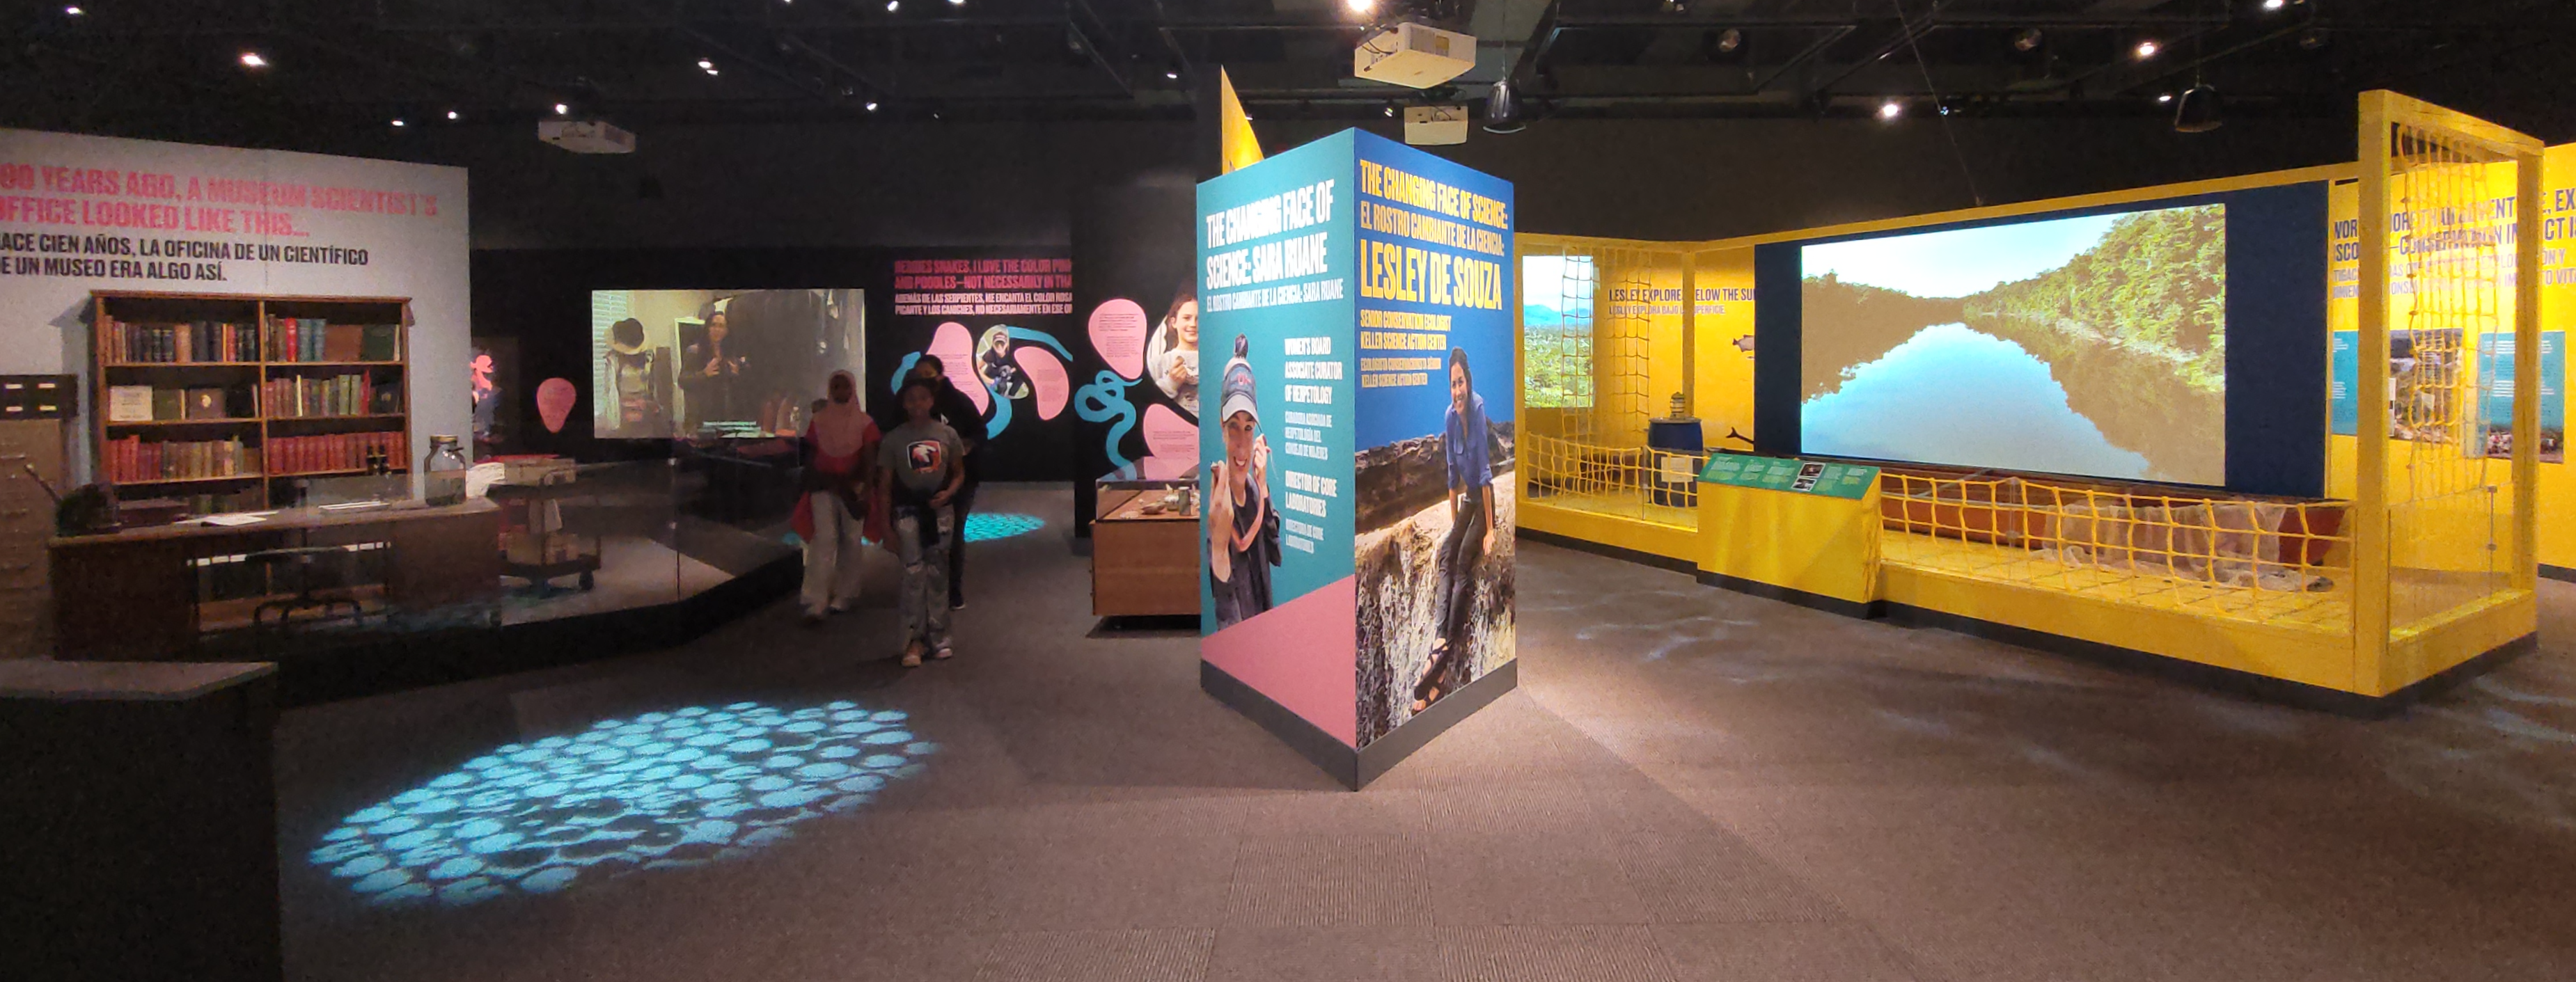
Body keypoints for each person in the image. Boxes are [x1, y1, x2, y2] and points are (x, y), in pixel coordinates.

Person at [1412, 347, 1496, 713]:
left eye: (1460, 383)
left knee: (1464, 560)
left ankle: (1443, 658)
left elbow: (1485, 477)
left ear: (1469, 381)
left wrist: (1490, 530)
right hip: (1467, 503)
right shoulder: (1449, 417)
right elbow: (1451, 477)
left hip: (1483, 499)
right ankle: (1440, 644)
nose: (1457, 391)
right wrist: (1453, 525)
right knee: (1448, 550)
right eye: (1452, 385)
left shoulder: (1477, 410)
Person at [881, 355, 989, 609]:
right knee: (913, 542)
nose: (918, 403)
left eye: (928, 375)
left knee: (948, 539)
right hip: (913, 488)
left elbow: (977, 434)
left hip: (953, 484)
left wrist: (964, 450)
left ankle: (949, 591)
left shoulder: (958, 405)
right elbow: (891, 445)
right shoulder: (900, 413)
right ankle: (918, 592)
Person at [879, 378, 966, 667]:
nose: (917, 404)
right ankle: (913, 640)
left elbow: (958, 472)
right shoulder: (893, 439)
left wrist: (949, 493)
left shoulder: (947, 434)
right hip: (907, 511)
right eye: (911, 399)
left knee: (938, 570)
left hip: (940, 512)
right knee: (913, 574)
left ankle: (940, 636)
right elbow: (884, 485)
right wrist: (885, 526)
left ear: (932, 401)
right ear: (904, 404)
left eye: (923, 398)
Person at [1207, 335, 1279, 629]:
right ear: (1222, 429)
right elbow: (1224, 605)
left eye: (1248, 429)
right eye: (1233, 427)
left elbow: (1275, 555)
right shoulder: (1219, 501)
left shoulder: (1254, 492)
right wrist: (1221, 547)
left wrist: (1264, 488)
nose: (1241, 445)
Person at [799, 370, 877, 624]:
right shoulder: (818, 421)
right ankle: (815, 599)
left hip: (853, 488)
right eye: (836, 386)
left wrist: (864, 489)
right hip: (823, 487)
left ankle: (846, 594)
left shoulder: (865, 423)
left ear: (852, 389)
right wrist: (818, 481)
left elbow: (870, 458)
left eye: (845, 386)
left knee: (852, 539)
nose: (841, 391)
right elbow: (810, 455)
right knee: (824, 539)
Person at [678, 308, 744, 430]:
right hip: (700, 419)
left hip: (725, 417)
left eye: (722, 326)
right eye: (714, 325)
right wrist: (704, 374)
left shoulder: (729, 355)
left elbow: (734, 390)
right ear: (708, 328)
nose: (717, 330)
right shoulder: (694, 351)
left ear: (727, 331)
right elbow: (682, 381)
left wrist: (736, 375)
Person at [1145, 289, 1200, 416]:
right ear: (1173, 322)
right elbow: (1147, 405)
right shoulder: (1157, 364)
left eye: (1199, 319)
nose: (1193, 324)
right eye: (1187, 318)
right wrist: (1170, 383)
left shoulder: (1217, 364)